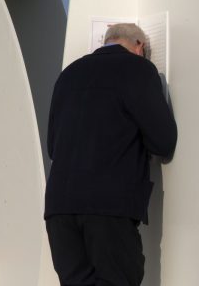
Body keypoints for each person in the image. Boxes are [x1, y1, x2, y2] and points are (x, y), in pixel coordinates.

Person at [44, 23, 177, 286]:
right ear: (139, 46)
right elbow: (163, 140)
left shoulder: (68, 74)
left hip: (59, 208)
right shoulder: (139, 69)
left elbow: (52, 145)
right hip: (109, 208)